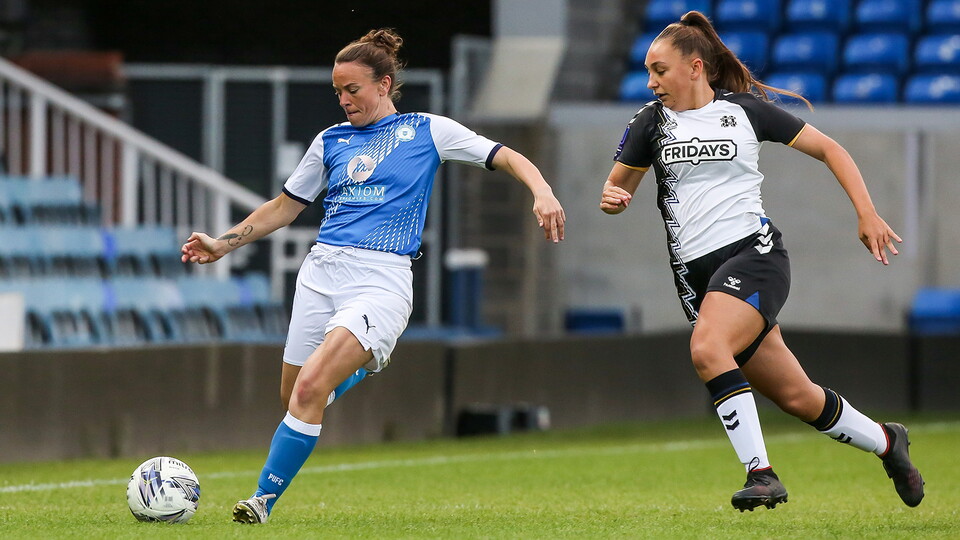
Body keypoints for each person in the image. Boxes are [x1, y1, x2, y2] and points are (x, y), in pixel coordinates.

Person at [181, 28, 566, 524]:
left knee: (309, 390)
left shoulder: (428, 130)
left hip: (380, 279)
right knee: (294, 396)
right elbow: (283, 207)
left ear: (384, 85)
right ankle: (363, 364)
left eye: (352, 90)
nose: (344, 101)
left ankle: (261, 501)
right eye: (337, 92)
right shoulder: (330, 141)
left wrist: (542, 191)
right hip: (320, 273)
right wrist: (223, 243)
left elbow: (506, 155)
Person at [599, 11, 923, 512]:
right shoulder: (649, 123)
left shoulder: (745, 111)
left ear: (695, 67)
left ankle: (761, 474)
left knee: (707, 348)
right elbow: (616, 189)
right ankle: (887, 442)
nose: (651, 82)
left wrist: (867, 213)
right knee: (798, 397)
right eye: (647, 72)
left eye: (659, 70)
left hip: (754, 255)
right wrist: (612, 199)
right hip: (697, 277)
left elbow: (830, 149)